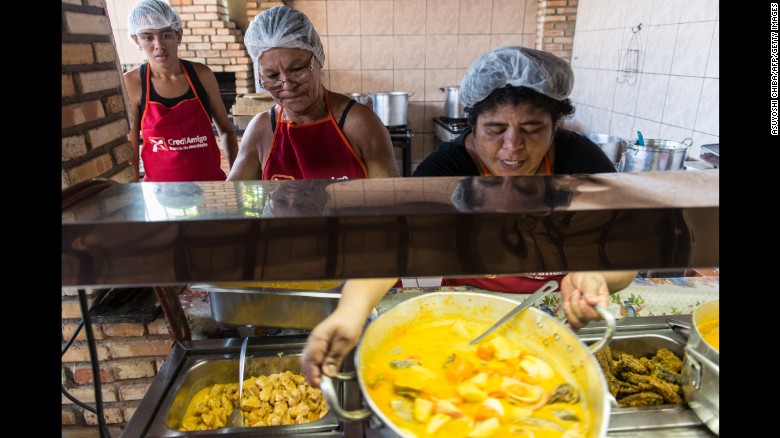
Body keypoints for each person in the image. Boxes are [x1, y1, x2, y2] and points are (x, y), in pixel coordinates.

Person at [301, 46, 636, 387]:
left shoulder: (579, 160)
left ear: (556, 126)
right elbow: (394, 243)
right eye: (494, 129)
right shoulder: (447, 169)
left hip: (554, 312)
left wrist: (596, 273)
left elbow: (628, 245)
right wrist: (351, 312)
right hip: (464, 316)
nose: (512, 146)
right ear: (472, 125)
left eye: (532, 129)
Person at [227, 5, 400, 181]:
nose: (287, 85)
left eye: (297, 69)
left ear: (318, 58)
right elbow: (234, 199)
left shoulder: (359, 123)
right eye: (272, 76)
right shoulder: (262, 129)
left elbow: (387, 201)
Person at [124, 0, 238, 182]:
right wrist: (132, 196)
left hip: (211, 189)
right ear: (136, 39)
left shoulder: (201, 75)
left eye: (166, 35)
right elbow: (130, 149)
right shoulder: (133, 82)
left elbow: (227, 131)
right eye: (148, 37)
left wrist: (236, 181)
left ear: (179, 35)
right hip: (160, 196)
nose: (158, 45)